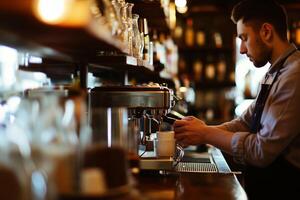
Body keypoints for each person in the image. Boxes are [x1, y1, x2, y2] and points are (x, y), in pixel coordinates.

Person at [174, 0, 300, 199]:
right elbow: (244, 123)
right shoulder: (274, 73)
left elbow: (261, 150)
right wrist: (198, 130)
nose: (241, 49)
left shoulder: (294, 75)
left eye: (244, 37)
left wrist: (206, 134)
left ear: (266, 32)